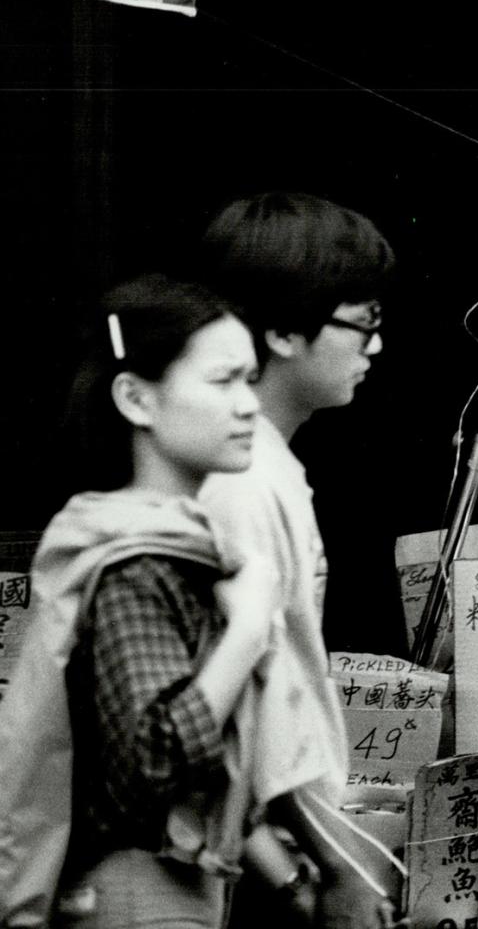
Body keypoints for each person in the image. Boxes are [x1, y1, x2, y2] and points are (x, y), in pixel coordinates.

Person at [0, 275, 275, 926]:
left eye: (251, 380)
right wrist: (248, 631)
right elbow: (150, 763)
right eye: (222, 380)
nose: (248, 406)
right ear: (136, 399)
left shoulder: (174, 547)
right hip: (135, 893)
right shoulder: (137, 563)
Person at [191, 192, 398, 927]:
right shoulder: (239, 482)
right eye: (363, 323)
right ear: (281, 329)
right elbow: (246, 700)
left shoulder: (259, 464)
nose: (375, 347)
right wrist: (333, 868)